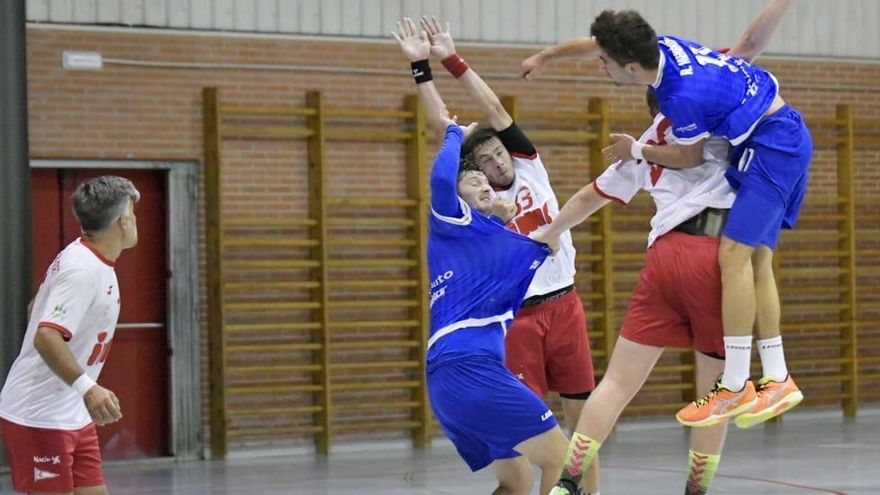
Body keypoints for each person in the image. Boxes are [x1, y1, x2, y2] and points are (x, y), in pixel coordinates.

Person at [522, 0, 806, 430]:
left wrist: (634, 150)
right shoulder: (670, 49)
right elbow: (749, 43)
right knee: (757, 261)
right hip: (775, 136)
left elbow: (688, 157)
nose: (601, 66)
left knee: (734, 257)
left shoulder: (682, 102)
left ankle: (734, 383)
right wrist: (547, 56)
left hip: (771, 146)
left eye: (605, 64)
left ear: (633, 68)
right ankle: (776, 375)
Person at [417, 16, 600, 493]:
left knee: (585, 440)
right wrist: (422, 73)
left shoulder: (529, 171)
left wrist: (450, 59)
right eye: (484, 161)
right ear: (472, 174)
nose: (496, 162)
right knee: (533, 457)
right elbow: (442, 138)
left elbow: (494, 107)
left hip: (565, 306)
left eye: (499, 153)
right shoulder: (478, 215)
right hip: (515, 321)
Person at [0, 176, 140, 495]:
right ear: (123, 220)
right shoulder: (82, 269)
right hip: (38, 414)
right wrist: (88, 388)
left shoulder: (85, 257)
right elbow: (46, 335)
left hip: (71, 411)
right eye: (133, 211)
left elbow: (36, 307)